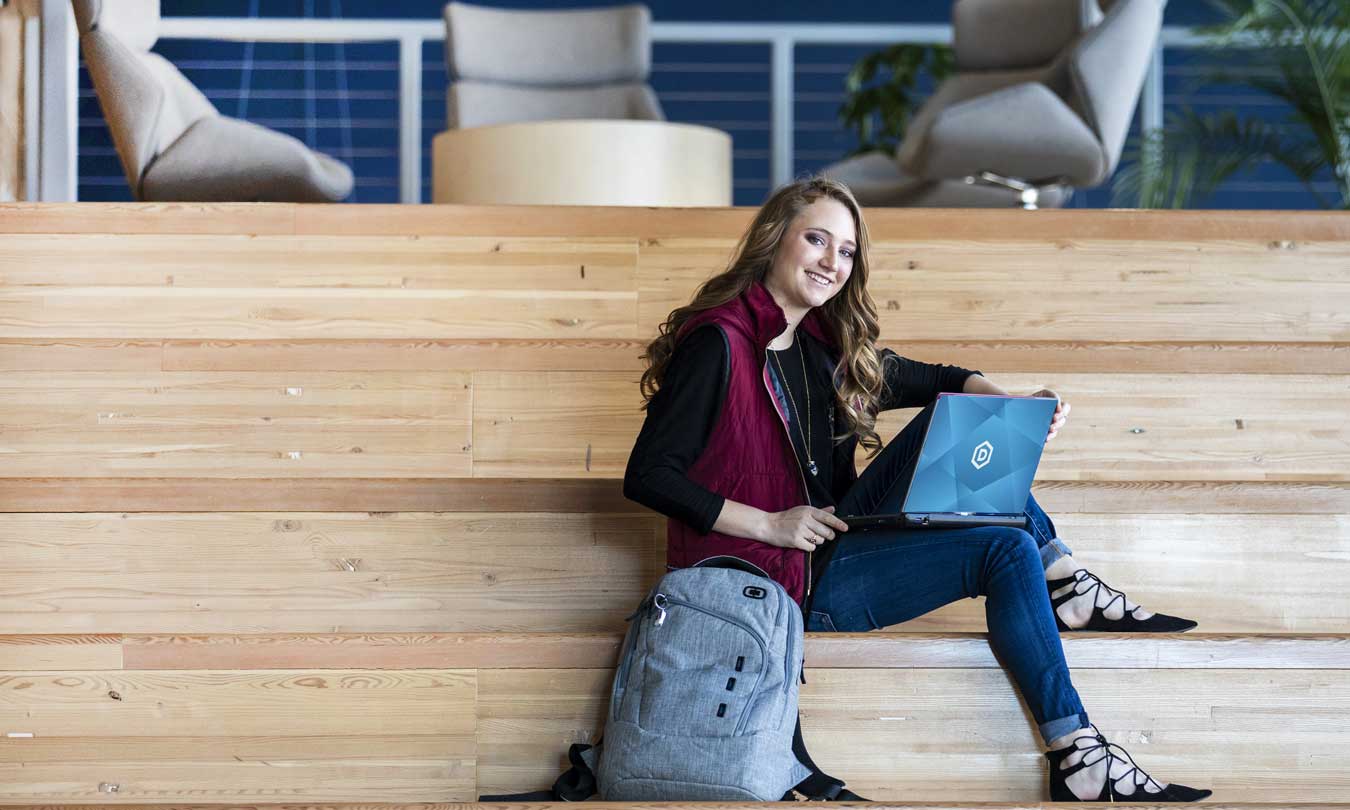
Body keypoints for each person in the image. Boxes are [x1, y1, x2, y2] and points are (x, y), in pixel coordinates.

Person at [622, 176, 1210, 802]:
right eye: (816, 240)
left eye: (845, 251)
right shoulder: (720, 343)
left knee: (956, 415)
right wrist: (770, 523)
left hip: (831, 543)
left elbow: (941, 378)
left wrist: (1011, 404)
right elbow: (649, 474)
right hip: (773, 579)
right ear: (774, 240)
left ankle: (1063, 589)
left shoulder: (825, 343)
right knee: (1005, 549)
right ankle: (1080, 751)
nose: (831, 263)